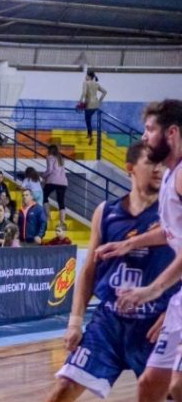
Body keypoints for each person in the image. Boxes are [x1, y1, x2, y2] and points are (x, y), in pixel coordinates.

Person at [46, 140, 178, 401]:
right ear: (130, 167)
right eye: (151, 162)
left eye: (163, 164)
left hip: (154, 324)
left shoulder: (173, 214)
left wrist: (175, 312)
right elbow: (88, 271)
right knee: (63, 388)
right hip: (109, 321)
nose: (159, 169)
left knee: (168, 392)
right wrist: (74, 322)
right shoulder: (106, 211)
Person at [98, 100, 182, 402]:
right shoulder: (172, 174)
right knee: (150, 386)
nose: (144, 136)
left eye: (150, 129)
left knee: (176, 387)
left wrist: (151, 290)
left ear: (171, 133)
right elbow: (173, 231)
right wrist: (129, 243)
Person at [79, 70, 108, 145]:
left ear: (89, 76)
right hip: (96, 104)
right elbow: (105, 92)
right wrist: (100, 101)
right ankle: (89, 135)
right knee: (89, 119)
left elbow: (84, 92)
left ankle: (90, 136)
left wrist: (80, 101)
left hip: (89, 104)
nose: (85, 77)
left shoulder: (85, 83)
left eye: (86, 75)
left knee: (87, 120)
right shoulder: (96, 84)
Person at [43, 144, 69, 224]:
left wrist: (43, 175)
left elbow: (50, 170)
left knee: (44, 196)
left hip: (53, 181)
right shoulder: (61, 158)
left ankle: (48, 216)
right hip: (63, 182)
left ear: (50, 150)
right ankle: (62, 222)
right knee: (61, 201)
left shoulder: (50, 157)